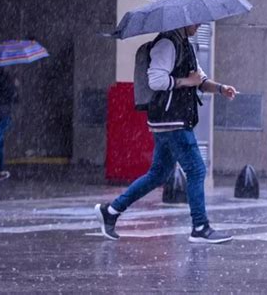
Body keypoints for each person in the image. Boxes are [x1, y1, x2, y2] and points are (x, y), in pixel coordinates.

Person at [95, 24, 238, 244]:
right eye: (196, 22)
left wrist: (220, 88)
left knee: (158, 175)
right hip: (171, 120)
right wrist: (185, 82)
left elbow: (199, 80)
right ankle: (200, 226)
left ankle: (111, 211)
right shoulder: (166, 44)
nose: (199, 25)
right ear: (183, 22)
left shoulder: (185, 45)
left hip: (174, 120)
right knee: (197, 170)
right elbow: (156, 81)